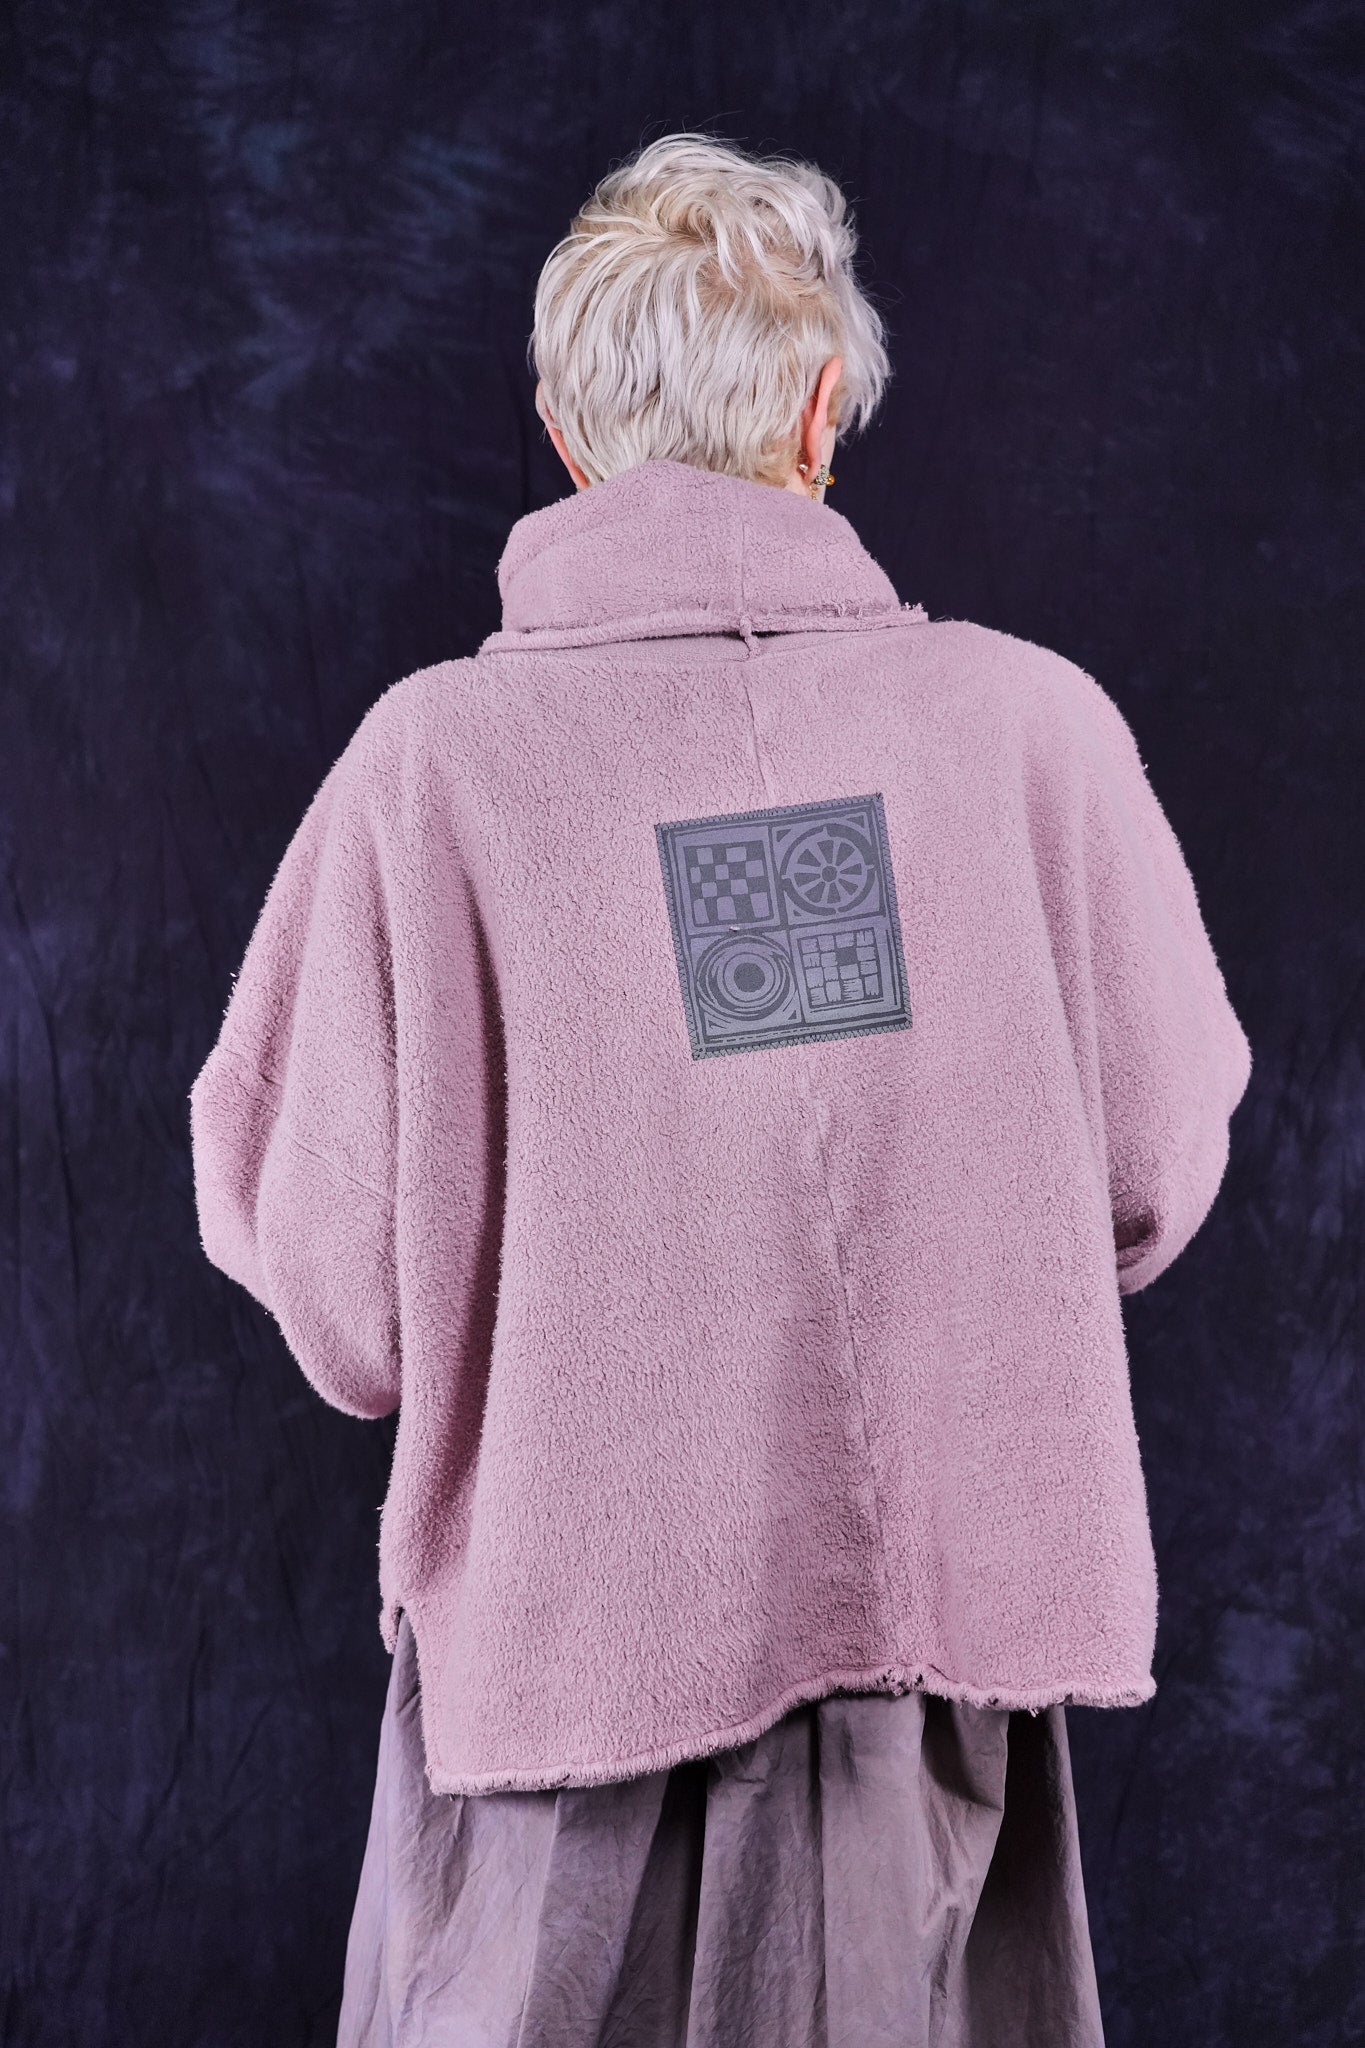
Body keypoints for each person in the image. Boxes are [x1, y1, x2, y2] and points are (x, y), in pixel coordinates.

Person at [188, 133, 1253, 2047]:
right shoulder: (1036, 731)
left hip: (560, 1716)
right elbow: (1150, 1180)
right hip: (926, 1706)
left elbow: (343, 1305)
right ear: (821, 407)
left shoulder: (435, 768)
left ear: (566, 434)